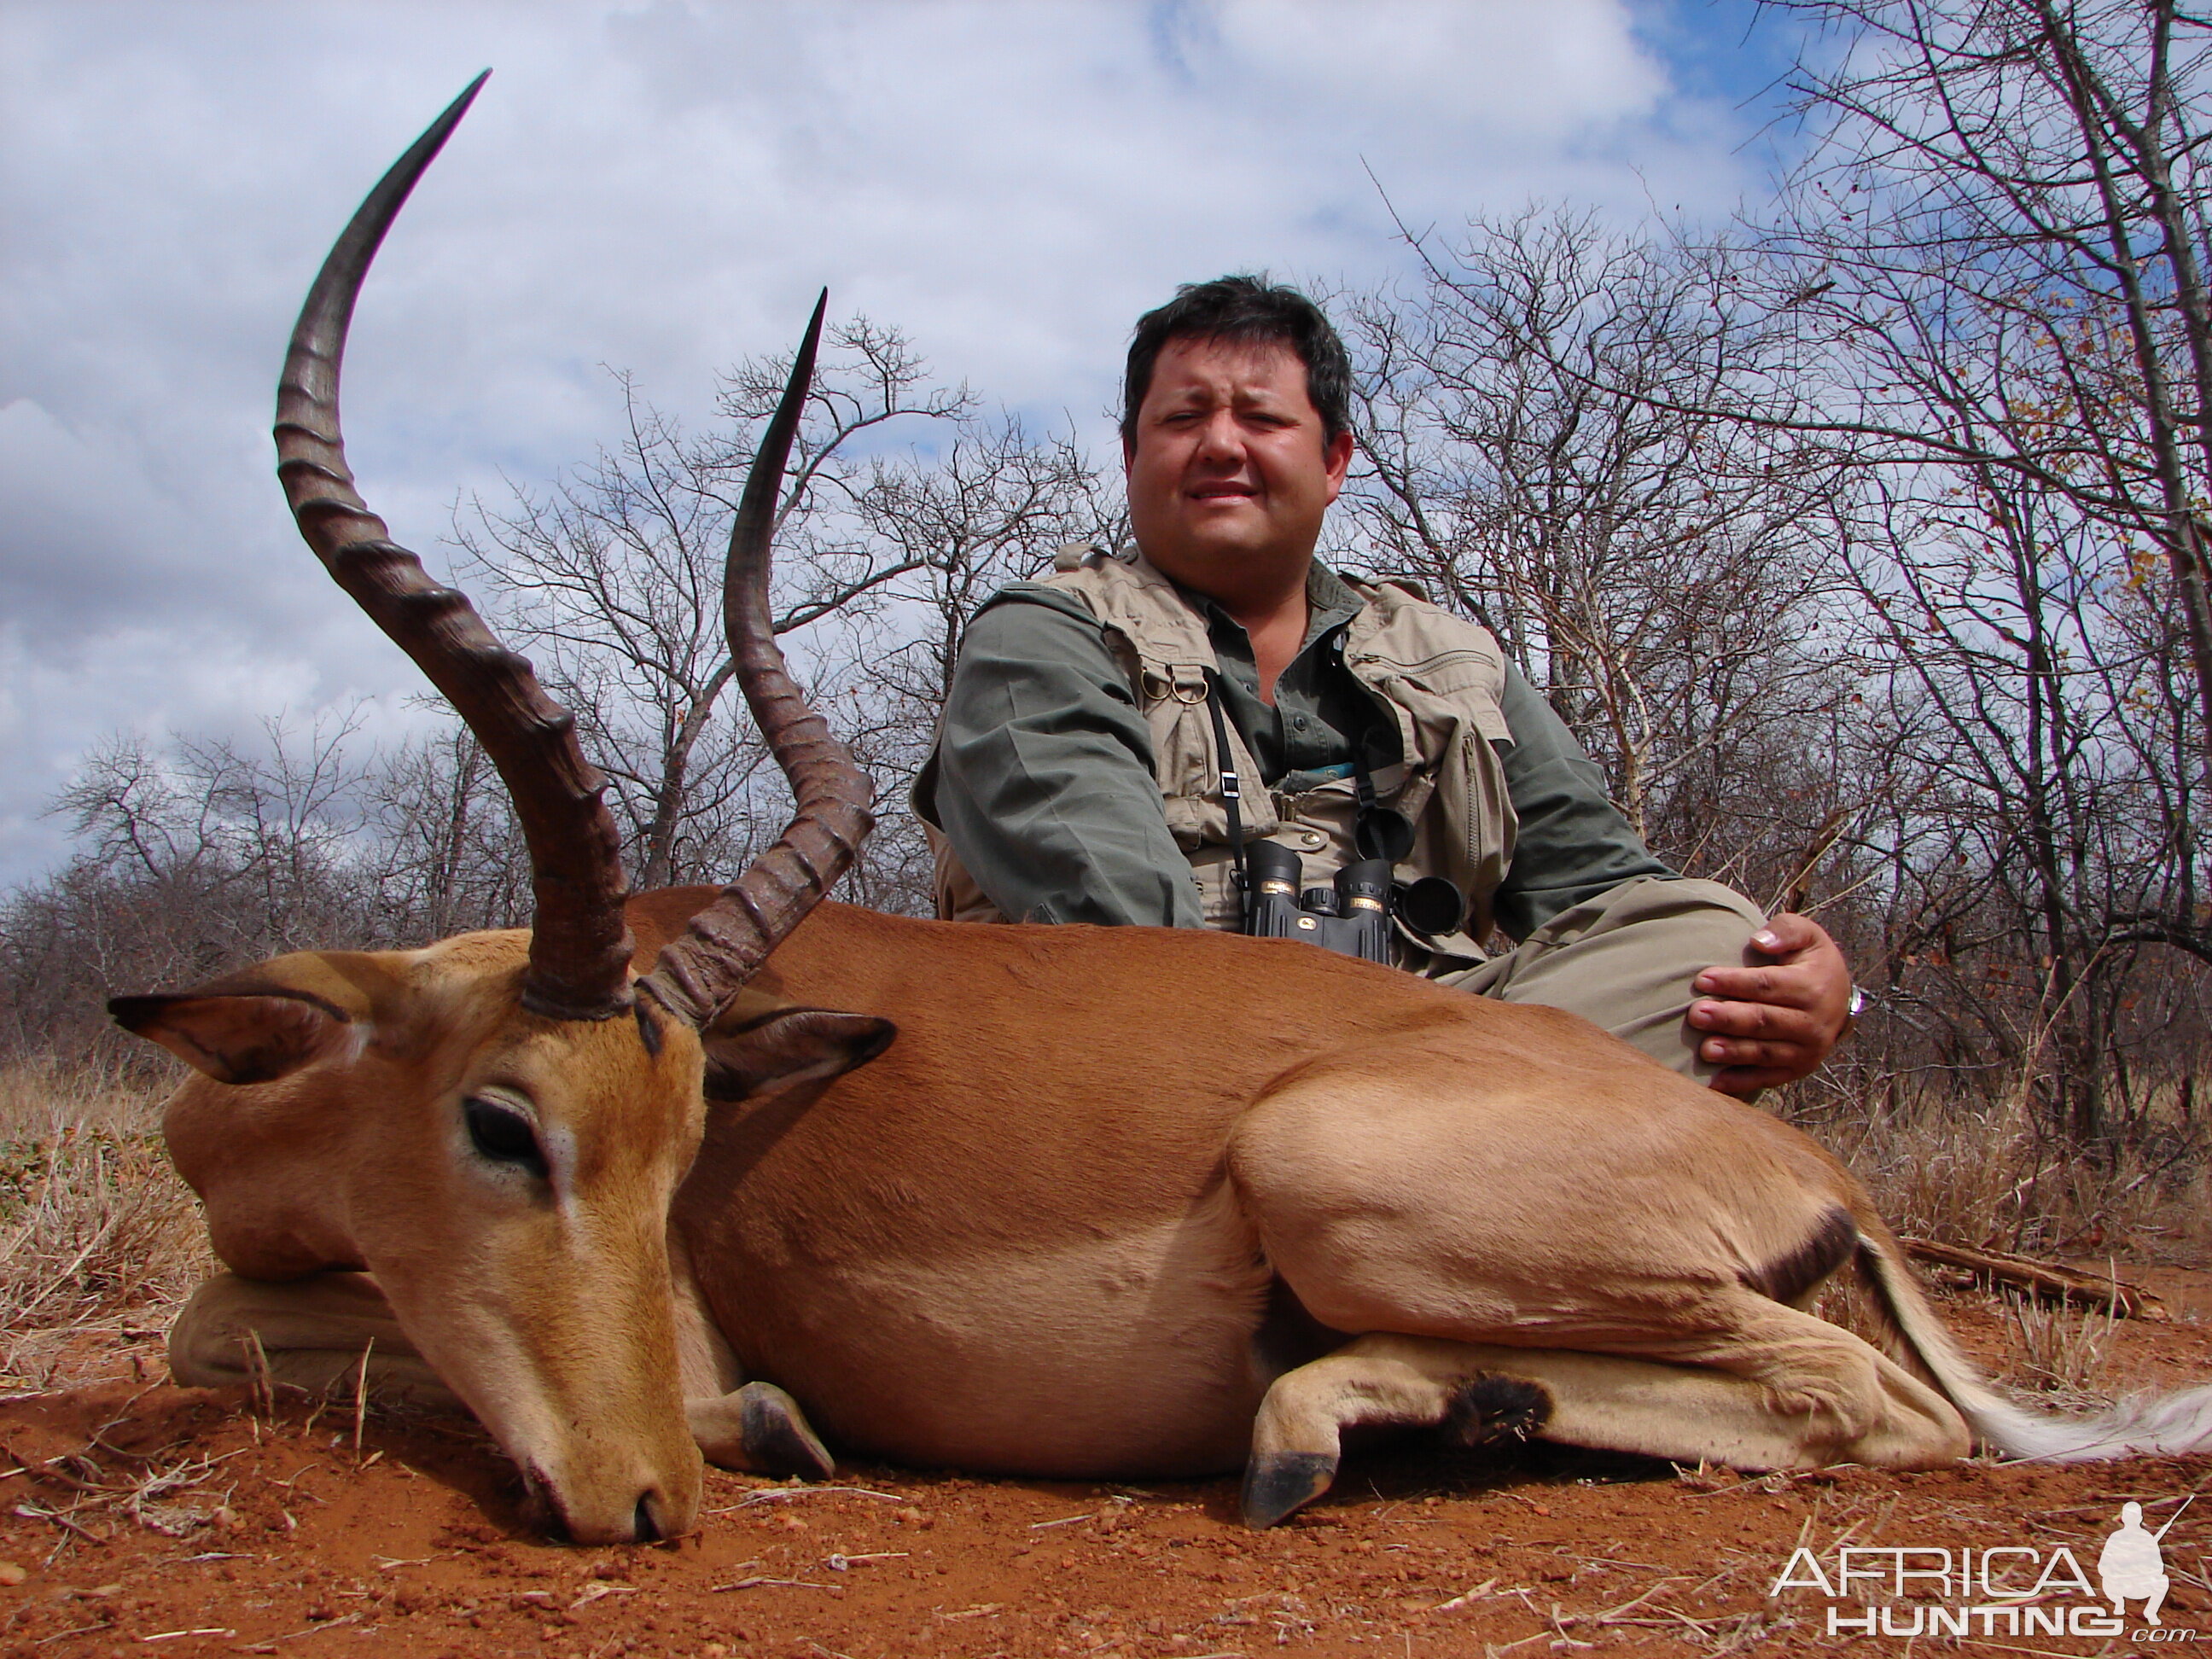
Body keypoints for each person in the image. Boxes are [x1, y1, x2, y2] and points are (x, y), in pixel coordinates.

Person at [911, 276, 1854, 1096]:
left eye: (1264, 418)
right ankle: (1415, 1197)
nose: (1220, 445)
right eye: (1183, 417)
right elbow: (1126, 945)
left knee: (1718, 943)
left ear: (1333, 463)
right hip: (1148, 1079)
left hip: (1422, 1069)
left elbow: (1603, 891)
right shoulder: (1044, 632)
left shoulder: (1454, 659)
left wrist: (1811, 992)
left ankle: (1375, 1186)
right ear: (1131, 456)